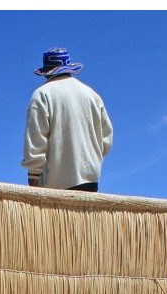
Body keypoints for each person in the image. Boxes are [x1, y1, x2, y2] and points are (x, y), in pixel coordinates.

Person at [21, 47, 113, 192]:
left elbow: (36, 140)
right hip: (90, 179)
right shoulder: (92, 95)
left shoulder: (42, 94)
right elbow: (106, 139)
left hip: (55, 184)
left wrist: (34, 175)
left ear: (46, 72)